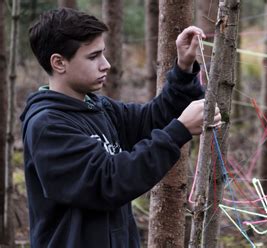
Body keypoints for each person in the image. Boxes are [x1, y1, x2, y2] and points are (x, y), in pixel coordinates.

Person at [19, 8, 220, 247]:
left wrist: (183, 69)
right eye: (93, 57)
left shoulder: (98, 107)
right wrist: (179, 130)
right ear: (59, 62)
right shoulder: (48, 126)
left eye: (103, 53)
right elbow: (108, 181)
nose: (106, 64)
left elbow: (152, 119)